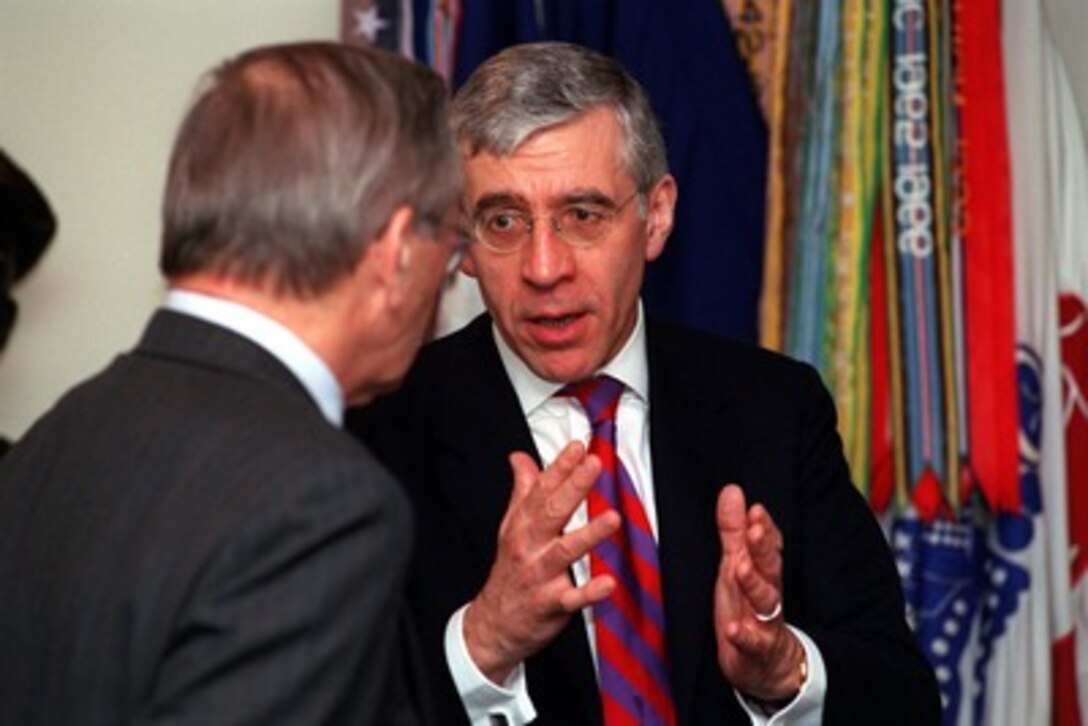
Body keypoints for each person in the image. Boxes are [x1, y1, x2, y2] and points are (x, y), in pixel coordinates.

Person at [347, 41, 941, 725]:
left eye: (583, 215)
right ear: (464, 240)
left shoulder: (774, 408)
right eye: (504, 221)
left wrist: (783, 670)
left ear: (655, 216)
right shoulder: (380, 429)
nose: (544, 268)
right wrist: (484, 643)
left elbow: (904, 700)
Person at [0, 41, 463, 725]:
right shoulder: (321, 504)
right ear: (395, 254)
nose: (446, 287)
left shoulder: (53, 439)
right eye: (452, 250)